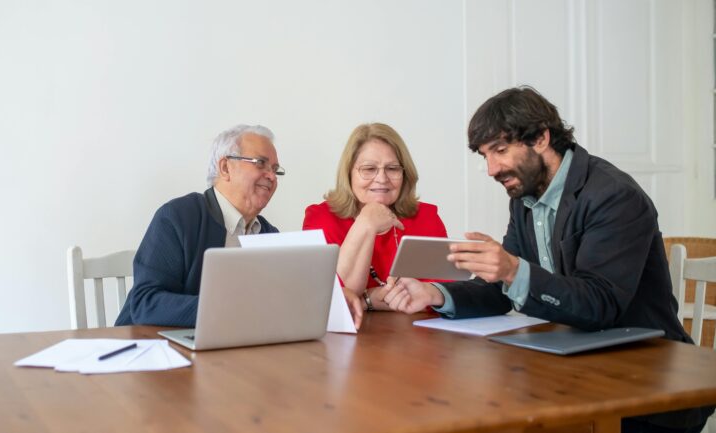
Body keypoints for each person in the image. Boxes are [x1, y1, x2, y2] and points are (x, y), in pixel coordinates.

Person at [382, 86, 713, 433]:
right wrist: (436, 294)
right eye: (485, 156)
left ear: (541, 138)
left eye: (500, 150)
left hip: (648, 381)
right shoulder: (524, 196)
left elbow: (601, 304)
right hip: (576, 366)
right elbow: (503, 289)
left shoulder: (614, 196)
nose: (492, 168)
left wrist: (512, 269)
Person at [115, 124, 283, 327]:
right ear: (225, 167)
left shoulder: (269, 234)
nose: (271, 177)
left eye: (275, 170)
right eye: (260, 163)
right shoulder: (177, 217)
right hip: (152, 348)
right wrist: (225, 309)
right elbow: (145, 304)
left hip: (226, 349)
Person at [303, 123, 447, 314]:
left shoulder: (426, 218)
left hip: (422, 335)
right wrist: (366, 223)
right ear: (349, 174)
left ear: (404, 174)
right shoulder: (321, 218)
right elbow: (331, 302)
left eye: (392, 168)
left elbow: (444, 294)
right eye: (369, 169)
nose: (382, 178)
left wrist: (366, 299)